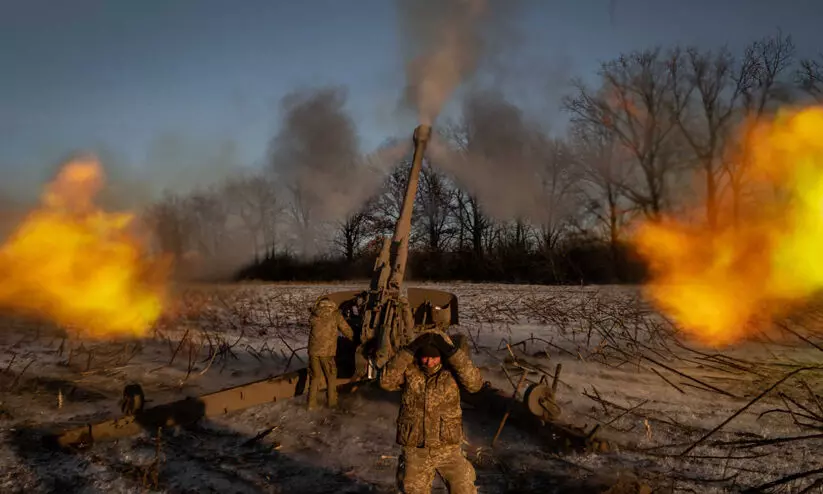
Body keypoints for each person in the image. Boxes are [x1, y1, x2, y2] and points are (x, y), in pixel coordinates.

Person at [379, 331, 483, 494]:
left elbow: (474, 384)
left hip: (449, 451)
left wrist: (452, 352)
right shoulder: (409, 371)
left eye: (434, 357)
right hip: (416, 451)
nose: (429, 362)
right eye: (425, 357)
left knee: (464, 489)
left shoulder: (453, 373)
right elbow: (385, 381)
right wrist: (408, 350)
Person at [308, 297, 354, 409]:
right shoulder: (335, 315)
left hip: (313, 352)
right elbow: (346, 330)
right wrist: (354, 338)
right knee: (331, 377)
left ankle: (311, 405)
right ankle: (332, 404)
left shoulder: (314, 315)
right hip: (327, 353)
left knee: (315, 378)